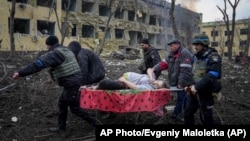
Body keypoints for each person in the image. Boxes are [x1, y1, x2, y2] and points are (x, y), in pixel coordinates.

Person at [12, 35, 98, 133]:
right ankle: (61, 128)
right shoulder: (66, 50)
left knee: (75, 109)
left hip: (71, 84)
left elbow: (38, 65)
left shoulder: (54, 54)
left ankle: (97, 124)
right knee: (62, 103)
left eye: (47, 46)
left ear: (49, 45)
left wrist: (20, 73)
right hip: (73, 82)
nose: (47, 48)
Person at [149, 38, 194, 121]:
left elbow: (185, 70)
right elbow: (163, 64)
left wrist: (181, 83)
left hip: (184, 82)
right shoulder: (171, 54)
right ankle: (180, 114)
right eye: (169, 46)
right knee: (181, 99)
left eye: (172, 45)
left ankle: (178, 115)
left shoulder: (185, 53)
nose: (170, 47)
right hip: (175, 81)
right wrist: (154, 69)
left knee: (182, 98)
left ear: (178, 44)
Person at [184, 33, 222, 125]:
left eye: (197, 44)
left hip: (206, 92)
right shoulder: (195, 57)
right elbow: (192, 73)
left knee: (206, 118)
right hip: (193, 92)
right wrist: (189, 85)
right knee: (187, 113)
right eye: (194, 44)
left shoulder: (213, 56)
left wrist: (197, 87)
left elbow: (212, 75)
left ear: (204, 44)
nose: (195, 47)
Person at [96, 68, 167, 90]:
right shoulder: (153, 79)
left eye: (157, 85)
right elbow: (149, 69)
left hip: (125, 83)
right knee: (105, 84)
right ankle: (96, 87)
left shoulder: (149, 88)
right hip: (125, 78)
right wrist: (151, 78)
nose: (155, 83)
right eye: (157, 81)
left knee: (104, 83)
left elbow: (134, 87)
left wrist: (124, 80)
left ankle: (96, 89)